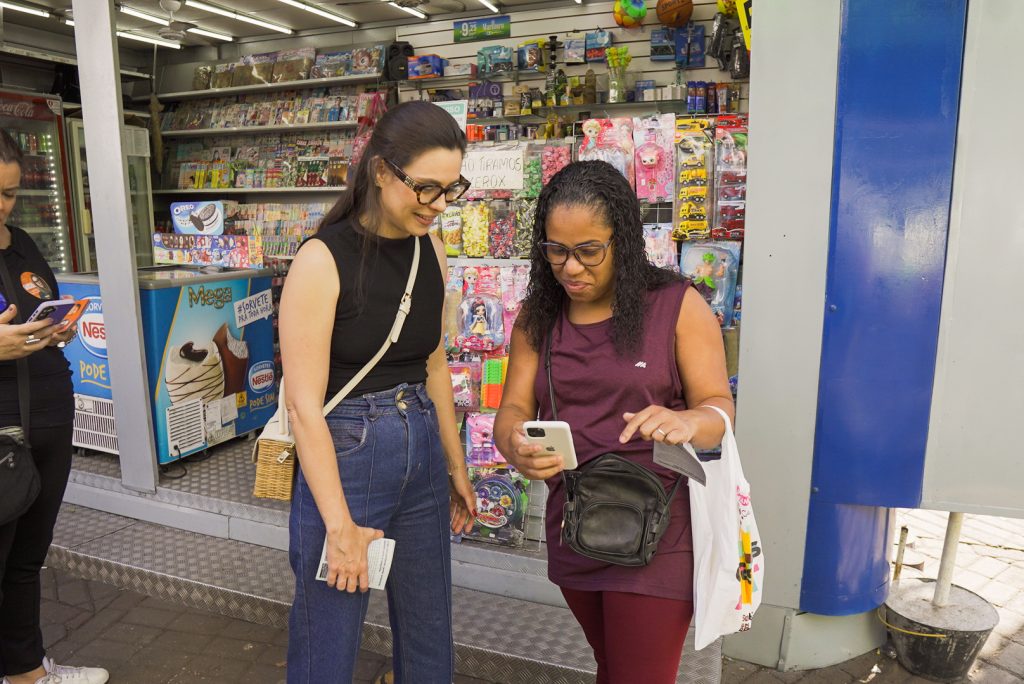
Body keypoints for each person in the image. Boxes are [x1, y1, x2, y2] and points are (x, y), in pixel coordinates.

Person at [494, 160, 735, 684]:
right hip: (576, 525)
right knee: (615, 666)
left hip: (661, 529)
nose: (571, 269)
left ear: (622, 241)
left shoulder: (677, 306)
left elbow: (718, 411)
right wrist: (515, 443)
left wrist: (687, 421)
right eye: (555, 250)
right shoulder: (539, 317)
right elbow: (512, 410)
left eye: (588, 252)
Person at [279, 101, 477, 684]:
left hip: (419, 440)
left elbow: (433, 362)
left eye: (451, 189)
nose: (439, 205)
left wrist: (454, 463)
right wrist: (338, 525)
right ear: (382, 172)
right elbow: (303, 405)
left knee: (428, 622)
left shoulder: (429, 250)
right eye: (426, 188)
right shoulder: (322, 259)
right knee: (329, 632)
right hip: (348, 450)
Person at [0, 129, 106, 684]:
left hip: (47, 418)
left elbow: (40, 305)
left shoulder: (21, 242)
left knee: (26, 559)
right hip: (1, 434)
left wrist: (55, 330)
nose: (2, 206)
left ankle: (25, 673)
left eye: (11, 193)